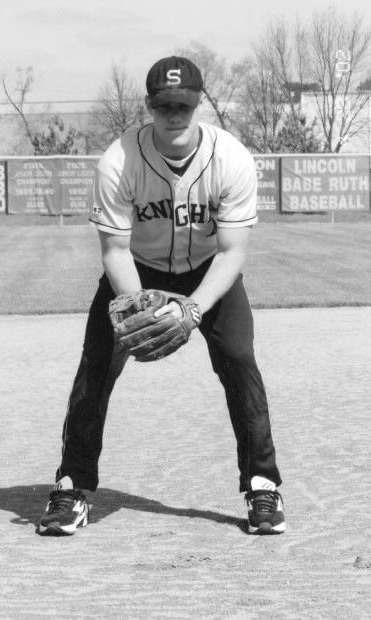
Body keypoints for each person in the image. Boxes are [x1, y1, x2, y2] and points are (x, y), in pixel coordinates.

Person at [38, 56, 285, 536]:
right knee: (96, 365)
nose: (175, 114)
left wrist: (192, 309)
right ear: (149, 105)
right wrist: (141, 309)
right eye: (165, 104)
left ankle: (262, 485)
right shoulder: (119, 161)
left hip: (210, 270)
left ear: (198, 106)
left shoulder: (230, 158)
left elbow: (234, 252)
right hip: (138, 270)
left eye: (184, 105)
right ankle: (72, 485)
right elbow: (113, 250)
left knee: (238, 358)